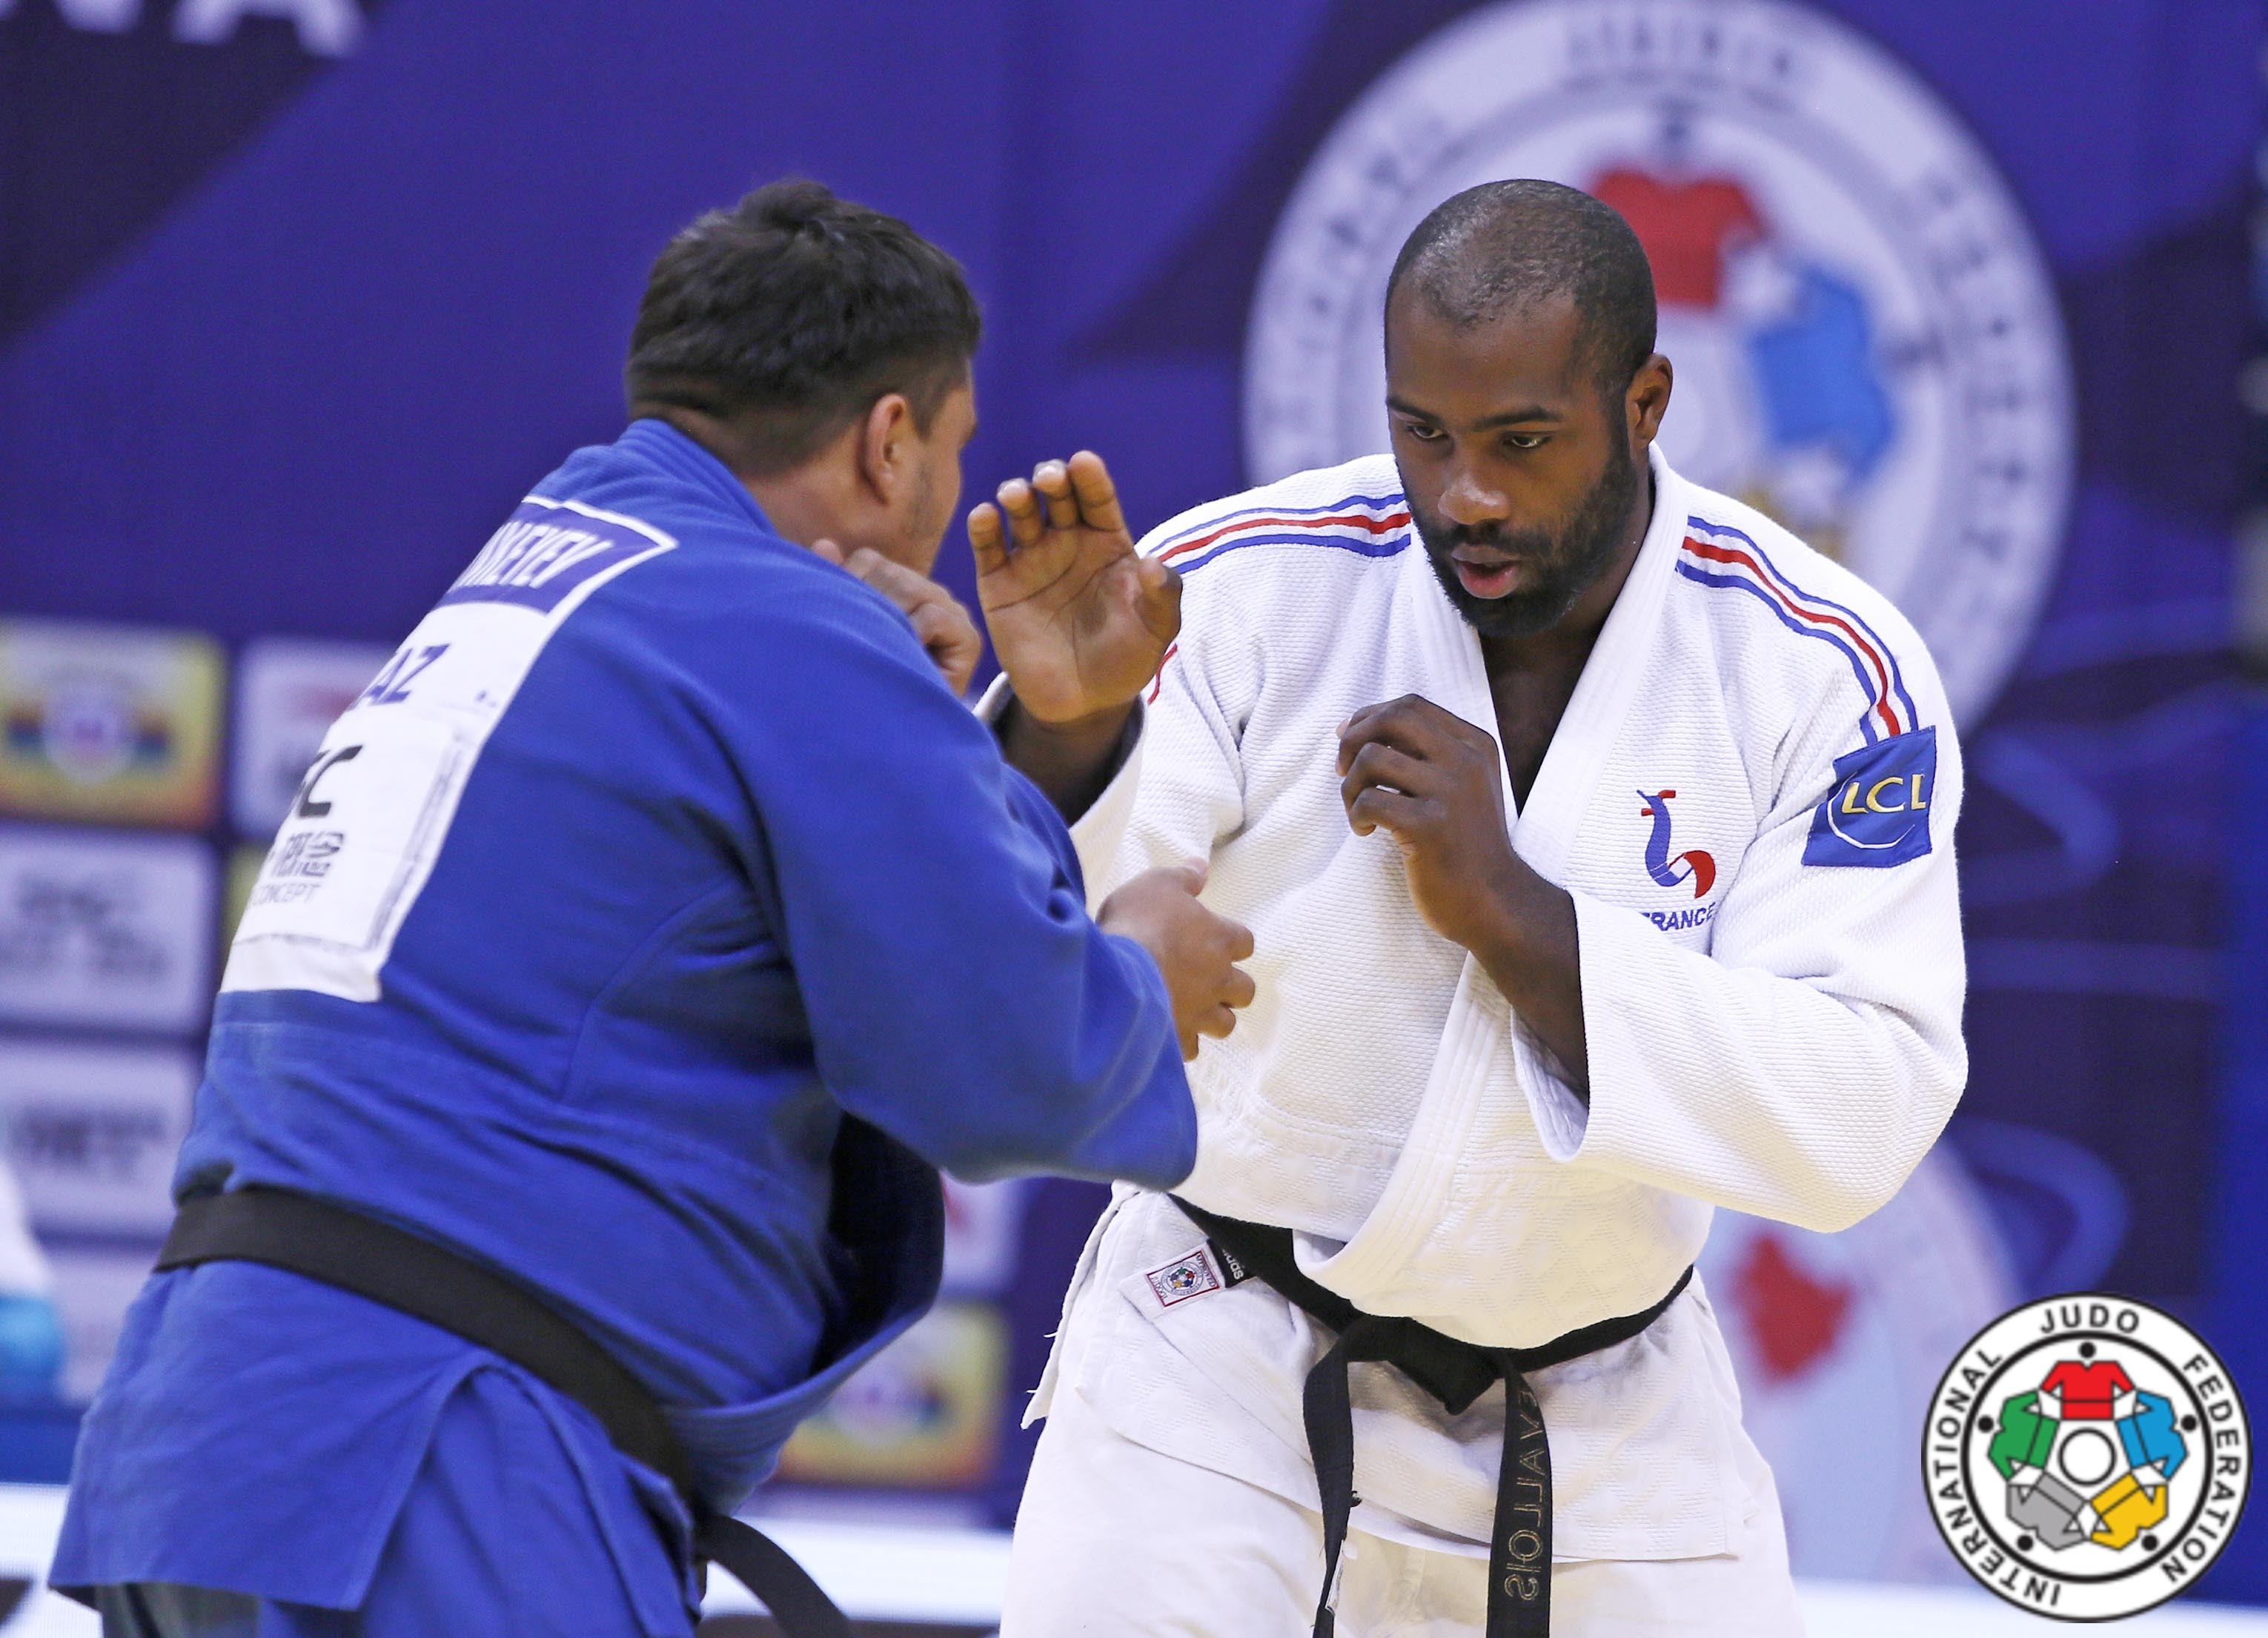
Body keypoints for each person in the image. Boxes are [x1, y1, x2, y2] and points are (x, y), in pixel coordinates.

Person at [50, 180, 1252, 1638]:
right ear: (889, 440)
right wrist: (1140, 977)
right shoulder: (778, 621)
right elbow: (1005, 1064)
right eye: (951, 445)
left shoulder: (550, 576)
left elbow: (787, 922)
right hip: (441, 1455)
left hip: (212, 1453)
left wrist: (1017, 744)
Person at [974, 179, 1966, 1635]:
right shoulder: (1247, 580)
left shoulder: (1821, 664)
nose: (1465, 496)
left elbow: (1864, 1110)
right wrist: (1067, 739)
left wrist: (1517, 911)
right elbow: (1045, 954)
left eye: (1521, 441)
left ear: (1645, 404)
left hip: (1611, 1418)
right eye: (1422, 434)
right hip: (1219, 1370)